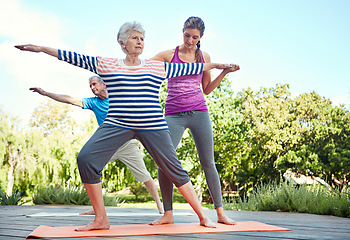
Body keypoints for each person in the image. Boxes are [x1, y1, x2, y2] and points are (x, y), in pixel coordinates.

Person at [15, 20, 236, 231]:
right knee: (86, 159)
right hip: (117, 123)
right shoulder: (107, 65)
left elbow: (189, 69)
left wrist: (217, 65)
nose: (139, 42)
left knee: (173, 167)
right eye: (134, 38)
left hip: (152, 125)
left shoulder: (155, 66)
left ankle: (203, 215)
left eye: (142, 38)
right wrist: (41, 48)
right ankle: (101, 218)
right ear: (122, 43)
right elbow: (73, 57)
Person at [29, 75, 164, 215]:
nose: (93, 88)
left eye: (94, 84)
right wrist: (45, 93)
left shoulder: (118, 98)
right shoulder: (93, 102)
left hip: (127, 144)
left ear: (104, 84)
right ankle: (96, 208)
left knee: (144, 175)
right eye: (90, 86)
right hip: (107, 145)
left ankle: (160, 205)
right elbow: (69, 99)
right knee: (88, 168)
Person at [151, 16, 240, 226]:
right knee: (164, 163)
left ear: (201, 37)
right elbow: (143, 66)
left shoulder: (204, 57)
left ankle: (220, 213)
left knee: (208, 162)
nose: (190, 40)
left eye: (195, 37)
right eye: (187, 35)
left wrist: (224, 72)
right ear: (182, 32)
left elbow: (207, 90)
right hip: (173, 114)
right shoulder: (168, 55)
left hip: (200, 113)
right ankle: (168, 213)